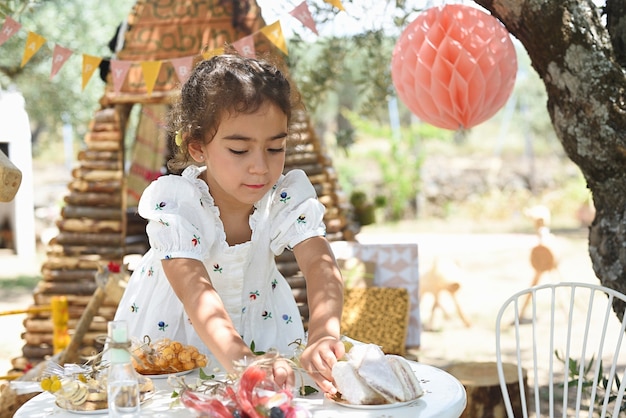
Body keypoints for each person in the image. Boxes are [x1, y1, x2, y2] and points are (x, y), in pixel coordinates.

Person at [114, 53, 345, 395]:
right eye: (239, 150)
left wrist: (324, 334)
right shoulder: (179, 205)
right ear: (197, 147)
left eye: (275, 147)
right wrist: (243, 362)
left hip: (264, 330)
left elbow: (319, 262)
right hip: (176, 342)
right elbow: (195, 293)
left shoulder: (281, 198)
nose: (260, 167)